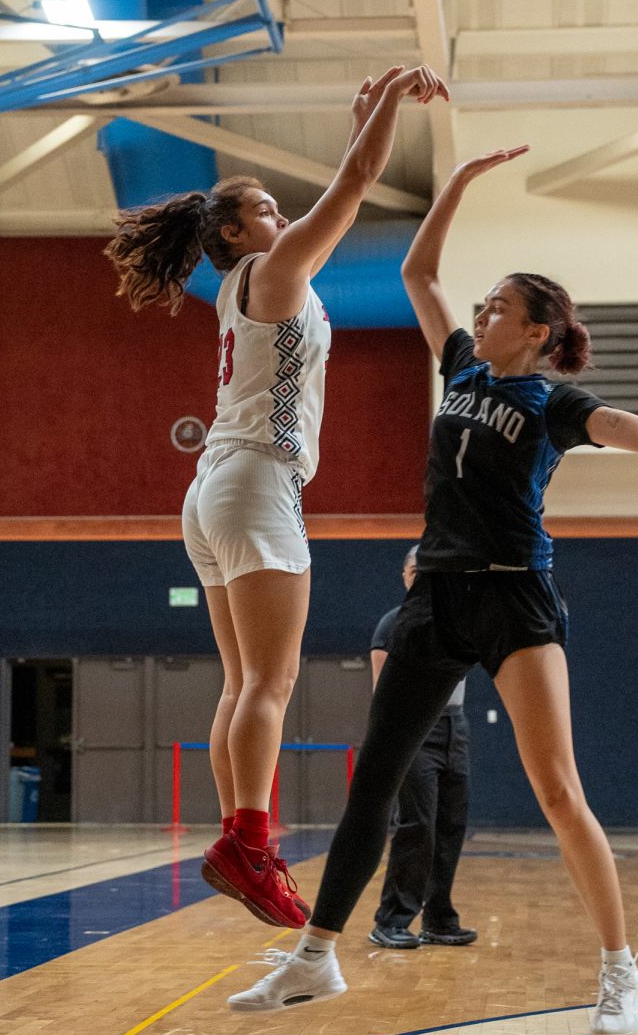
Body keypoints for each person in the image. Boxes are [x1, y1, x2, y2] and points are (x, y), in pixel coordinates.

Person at [224, 144, 638, 1035]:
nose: (483, 311)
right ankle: (316, 956)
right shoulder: (460, 367)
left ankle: (620, 971)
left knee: (558, 790)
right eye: (483, 301)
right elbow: (418, 269)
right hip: (436, 597)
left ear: (537, 331)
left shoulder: (555, 404)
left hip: (518, 601)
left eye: (501, 306)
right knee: (373, 779)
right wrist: (453, 185)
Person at [104, 64, 449, 931]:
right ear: (232, 231)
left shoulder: (242, 288)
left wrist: (366, 106)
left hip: (215, 487)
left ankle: (240, 839)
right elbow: (358, 184)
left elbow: (345, 182)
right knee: (272, 678)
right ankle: (250, 845)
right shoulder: (273, 271)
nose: (282, 214)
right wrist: (386, 105)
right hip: (257, 479)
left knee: (243, 680)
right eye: (264, 206)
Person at [369, 545, 476, 949]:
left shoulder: (457, 622)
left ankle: (438, 917)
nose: (424, 577)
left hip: (455, 727)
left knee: (451, 825)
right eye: (417, 570)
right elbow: (382, 693)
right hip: (411, 729)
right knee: (418, 825)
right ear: (405, 575)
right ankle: (391, 920)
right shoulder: (391, 625)